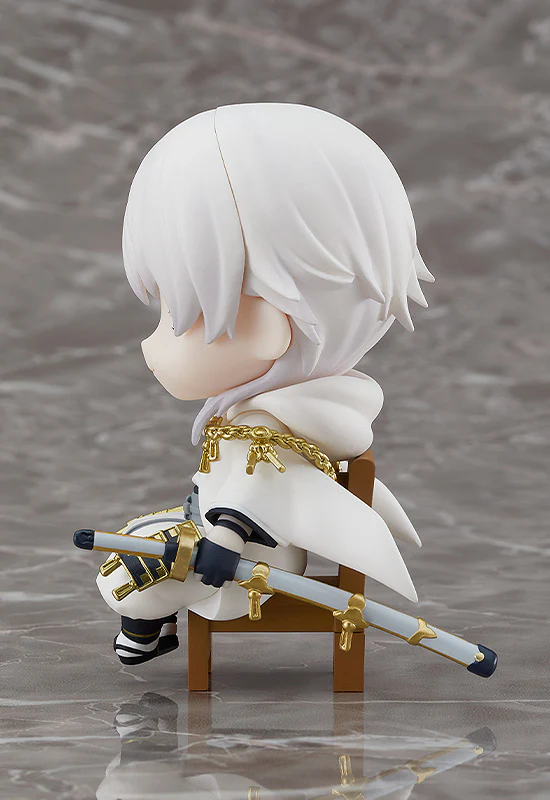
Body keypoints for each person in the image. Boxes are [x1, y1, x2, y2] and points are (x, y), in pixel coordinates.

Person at [96, 103, 434, 664]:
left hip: (247, 560)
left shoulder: (267, 430)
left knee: (127, 577)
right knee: (141, 537)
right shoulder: (279, 414)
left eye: (184, 316)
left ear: (273, 322)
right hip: (218, 533)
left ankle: (143, 629)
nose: (154, 345)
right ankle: (152, 626)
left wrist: (224, 540)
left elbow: (254, 495)